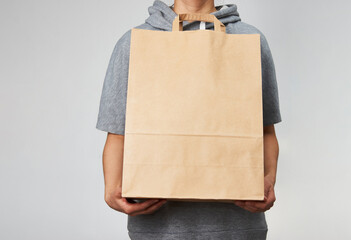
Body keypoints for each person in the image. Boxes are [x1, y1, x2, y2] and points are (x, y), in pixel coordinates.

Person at [96, 0, 281, 239]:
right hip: (158, 229)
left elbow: (266, 131)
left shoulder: (249, 39)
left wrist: (268, 180)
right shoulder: (134, 42)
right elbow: (117, 133)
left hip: (238, 227)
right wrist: (112, 190)